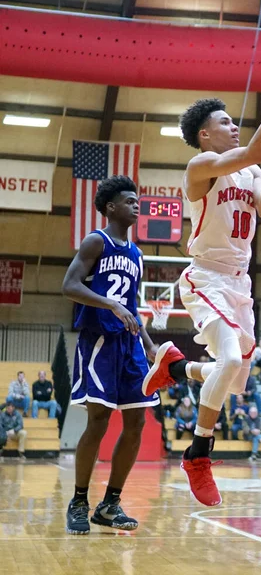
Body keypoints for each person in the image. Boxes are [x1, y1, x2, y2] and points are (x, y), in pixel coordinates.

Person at [142, 58, 261, 506]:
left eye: (234, 121)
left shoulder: (251, 170)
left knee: (232, 373)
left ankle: (176, 368)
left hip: (240, 286)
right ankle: (198, 454)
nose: (233, 126)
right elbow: (251, 150)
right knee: (232, 359)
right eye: (224, 122)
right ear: (204, 135)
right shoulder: (201, 166)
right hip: (206, 278)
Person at [61, 176, 182, 535]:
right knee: (98, 420)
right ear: (111, 207)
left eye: (137, 200)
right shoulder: (95, 241)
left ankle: (110, 504)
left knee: (137, 422)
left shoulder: (137, 254)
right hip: (99, 340)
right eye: (129, 201)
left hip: (131, 346)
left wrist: (148, 343)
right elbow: (69, 285)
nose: (136, 205)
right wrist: (108, 304)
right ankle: (79, 500)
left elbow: (129, 305)